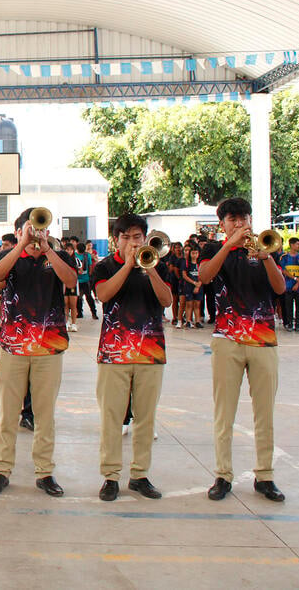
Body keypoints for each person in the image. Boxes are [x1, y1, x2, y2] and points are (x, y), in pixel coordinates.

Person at [0, 208, 78, 496]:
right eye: (30, 228)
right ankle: (1, 469)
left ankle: (45, 471)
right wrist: (21, 246)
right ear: (19, 231)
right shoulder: (9, 256)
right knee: (7, 412)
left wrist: (48, 250)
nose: (36, 232)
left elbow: (71, 281)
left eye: (39, 227)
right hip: (13, 346)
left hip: (49, 347)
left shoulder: (59, 257)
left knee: (44, 413)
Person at [198, 197, 287, 503]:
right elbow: (205, 276)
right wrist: (229, 245)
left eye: (243, 218)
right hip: (227, 340)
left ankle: (265, 476)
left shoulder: (266, 247)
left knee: (265, 412)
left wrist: (266, 257)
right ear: (222, 224)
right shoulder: (212, 249)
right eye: (232, 219)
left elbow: (280, 288)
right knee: (225, 412)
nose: (239, 223)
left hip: (263, 339)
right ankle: (223, 475)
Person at [92, 214, 173, 501]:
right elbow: (104, 294)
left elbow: (167, 300)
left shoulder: (158, 264)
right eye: (125, 237)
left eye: (137, 237)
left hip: (150, 352)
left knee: (145, 418)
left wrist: (150, 269)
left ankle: (140, 475)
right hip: (114, 354)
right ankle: (110, 476)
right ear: (116, 239)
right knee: (112, 418)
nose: (131, 242)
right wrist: (127, 265)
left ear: (144, 238)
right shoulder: (103, 266)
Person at [279, 238, 299, 332]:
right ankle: (289, 324)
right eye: (297, 244)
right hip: (288, 285)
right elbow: (284, 270)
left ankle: (298, 324)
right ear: (291, 245)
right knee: (288, 306)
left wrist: (298, 282)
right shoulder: (284, 257)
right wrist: (294, 278)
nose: (298, 246)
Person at [181, 246, 203, 328]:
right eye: (193, 253)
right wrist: (194, 283)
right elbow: (184, 275)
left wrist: (198, 285)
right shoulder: (186, 263)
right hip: (189, 286)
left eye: (196, 253)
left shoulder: (200, 264)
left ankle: (198, 321)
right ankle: (188, 320)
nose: (194, 255)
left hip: (199, 286)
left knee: (197, 304)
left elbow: (203, 275)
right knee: (189, 304)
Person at [75, 243, 98, 320]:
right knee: (81, 297)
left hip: (83, 279)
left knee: (85, 297)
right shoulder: (84, 255)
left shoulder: (84, 255)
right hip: (81, 279)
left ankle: (91, 312)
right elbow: (90, 266)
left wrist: (90, 275)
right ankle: (82, 312)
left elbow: (90, 265)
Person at [62, 241, 79, 332]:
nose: (69, 251)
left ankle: (74, 323)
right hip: (64, 284)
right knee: (65, 304)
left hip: (73, 285)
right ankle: (66, 322)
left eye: (70, 250)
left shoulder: (76, 260)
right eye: (67, 250)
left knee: (73, 305)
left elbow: (79, 271)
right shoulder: (61, 260)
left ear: (73, 250)